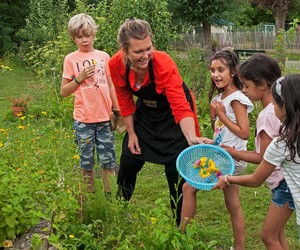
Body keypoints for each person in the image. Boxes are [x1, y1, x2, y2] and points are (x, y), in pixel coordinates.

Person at [108, 18, 211, 226]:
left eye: (148, 48)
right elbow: (125, 99)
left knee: (176, 169)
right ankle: (119, 209)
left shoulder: (162, 62)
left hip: (173, 116)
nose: (145, 55)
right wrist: (132, 133)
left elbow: (180, 105)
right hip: (146, 113)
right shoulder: (116, 64)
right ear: (124, 50)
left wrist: (190, 137)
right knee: (129, 159)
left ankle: (179, 226)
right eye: (138, 52)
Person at [213, 74, 300, 249]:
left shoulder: (282, 143)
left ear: (284, 107)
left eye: (275, 104)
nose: (272, 107)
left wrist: (227, 179)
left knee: (268, 236)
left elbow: (255, 180)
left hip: (289, 191)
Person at [180, 49, 253, 250]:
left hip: (232, 158)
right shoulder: (223, 97)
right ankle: (239, 247)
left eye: (221, 70)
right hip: (222, 154)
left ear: (233, 72)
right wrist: (214, 120)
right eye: (212, 70)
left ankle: (180, 238)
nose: (215, 75)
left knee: (188, 187)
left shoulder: (237, 98)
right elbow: (221, 131)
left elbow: (244, 133)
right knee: (232, 204)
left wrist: (222, 114)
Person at [61, 13, 120, 195]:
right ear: (73, 37)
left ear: (94, 34)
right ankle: (89, 198)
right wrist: (79, 78)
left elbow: (110, 85)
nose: (84, 40)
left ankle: (109, 199)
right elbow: (64, 91)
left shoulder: (103, 56)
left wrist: (117, 110)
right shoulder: (71, 59)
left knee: (108, 162)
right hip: (83, 120)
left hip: (104, 119)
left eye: (87, 35)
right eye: (79, 36)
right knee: (86, 164)